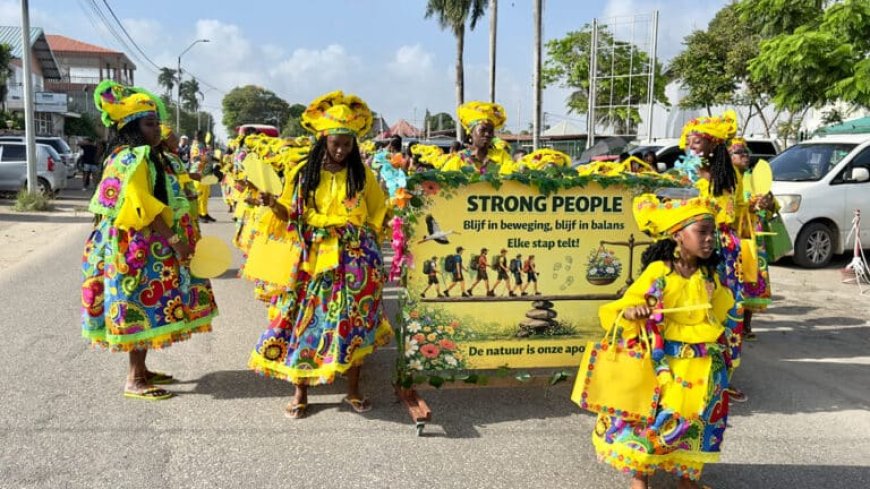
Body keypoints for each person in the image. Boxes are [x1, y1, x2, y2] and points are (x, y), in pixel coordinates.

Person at [250, 90, 392, 419]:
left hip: (354, 262)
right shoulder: (304, 173)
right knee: (304, 323)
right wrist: (273, 203)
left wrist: (364, 242)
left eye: (347, 144)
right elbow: (288, 213)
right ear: (323, 140)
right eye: (335, 143)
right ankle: (300, 392)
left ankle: (353, 389)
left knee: (352, 325)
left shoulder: (363, 175)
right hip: (311, 260)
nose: (341, 150)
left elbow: (377, 213)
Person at [81, 80, 217, 401]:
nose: (157, 130)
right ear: (131, 126)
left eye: (157, 123)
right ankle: (134, 379)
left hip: (140, 244)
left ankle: (142, 370)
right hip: (140, 246)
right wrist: (174, 239)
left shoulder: (138, 155)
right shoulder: (134, 157)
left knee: (147, 306)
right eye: (149, 124)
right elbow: (142, 205)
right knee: (140, 305)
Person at [590, 189, 733, 489]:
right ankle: (641, 477)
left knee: (697, 421)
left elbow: (719, 312)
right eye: (702, 232)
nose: (710, 239)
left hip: (704, 362)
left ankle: (687, 477)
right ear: (679, 236)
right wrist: (634, 312)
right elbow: (624, 308)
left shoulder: (709, 276)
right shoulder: (660, 273)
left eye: (713, 233)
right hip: (664, 363)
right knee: (652, 420)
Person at [677, 109, 747, 403]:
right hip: (693, 247)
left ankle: (721, 379)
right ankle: (689, 374)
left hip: (720, 251)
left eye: (696, 142)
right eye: (690, 142)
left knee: (722, 310)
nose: (690, 147)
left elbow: (726, 215)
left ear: (713, 145)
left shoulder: (725, 178)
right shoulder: (686, 173)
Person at [729, 137, 776, 341]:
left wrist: (767, 203)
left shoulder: (753, 178)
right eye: (740, 152)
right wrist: (745, 207)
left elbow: (772, 210)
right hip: (731, 235)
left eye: (747, 152)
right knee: (731, 281)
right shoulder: (725, 179)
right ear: (729, 156)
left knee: (751, 279)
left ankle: (746, 325)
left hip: (751, 236)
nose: (745, 156)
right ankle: (731, 325)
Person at [440, 101, 514, 174]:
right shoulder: (458, 160)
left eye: (491, 131)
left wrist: (492, 168)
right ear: (471, 133)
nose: (487, 134)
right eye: (482, 130)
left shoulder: (502, 156)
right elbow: (442, 181)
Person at [189, 130, 215, 223]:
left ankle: (205, 213)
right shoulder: (196, 145)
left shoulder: (202, 145)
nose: (205, 137)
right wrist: (207, 157)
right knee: (200, 195)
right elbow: (195, 158)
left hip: (205, 172)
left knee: (205, 195)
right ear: (198, 136)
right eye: (203, 135)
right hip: (198, 173)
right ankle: (199, 215)